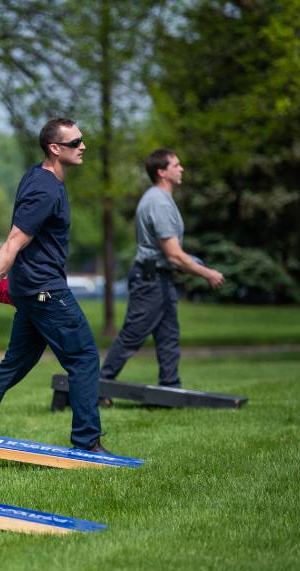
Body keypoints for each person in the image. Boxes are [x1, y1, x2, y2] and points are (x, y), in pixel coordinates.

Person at [0, 118, 114, 455]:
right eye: (75, 142)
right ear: (55, 149)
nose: (83, 146)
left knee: (16, 362)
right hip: (45, 290)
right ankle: (88, 442)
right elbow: (13, 243)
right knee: (84, 358)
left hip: (32, 289)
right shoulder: (44, 188)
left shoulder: (41, 177)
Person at [100, 150, 225, 393]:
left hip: (160, 277)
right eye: (176, 165)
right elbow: (173, 254)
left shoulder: (162, 199)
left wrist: (190, 261)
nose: (182, 169)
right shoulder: (158, 201)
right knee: (133, 335)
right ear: (162, 172)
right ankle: (98, 386)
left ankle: (170, 388)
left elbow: (172, 253)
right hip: (150, 280)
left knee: (168, 336)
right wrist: (207, 273)